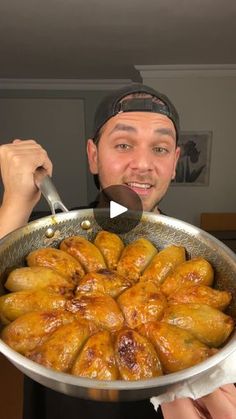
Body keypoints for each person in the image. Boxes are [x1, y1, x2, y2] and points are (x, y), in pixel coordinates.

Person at [0, 83, 235, 419]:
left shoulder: (192, 260)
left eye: (160, 148)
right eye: (124, 144)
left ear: (174, 162)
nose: (142, 164)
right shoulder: (48, 237)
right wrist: (15, 202)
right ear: (93, 156)